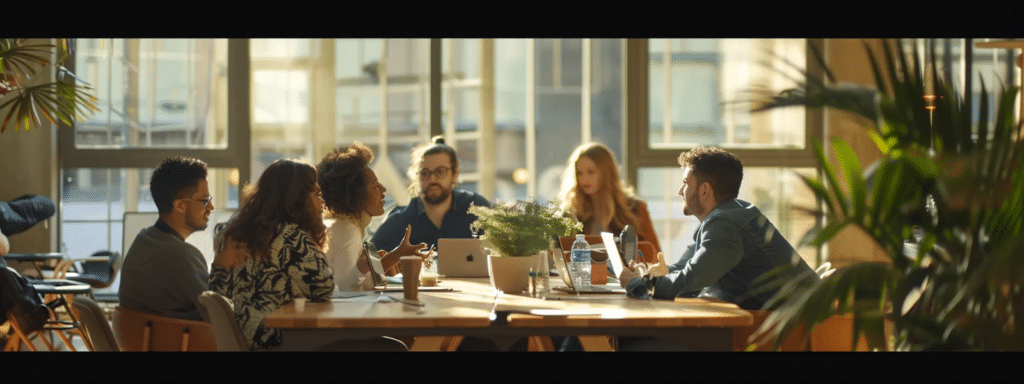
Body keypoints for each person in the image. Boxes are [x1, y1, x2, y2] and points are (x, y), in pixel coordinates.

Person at [618, 146, 818, 310]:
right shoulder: (726, 217)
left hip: (795, 330)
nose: (680, 191)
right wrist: (647, 274)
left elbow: (687, 282)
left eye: (686, 183)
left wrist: (636, 283)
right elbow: (684, 269)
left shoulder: (725, 224)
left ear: (705, 190)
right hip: (778, 323)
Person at [209, 159, 337, 350]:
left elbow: (217, 295)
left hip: (242, 343)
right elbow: (324, 288)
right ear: (299, 198)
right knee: (389, 347)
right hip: (278, 342)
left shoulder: (229, 235)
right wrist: (312, 241)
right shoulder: (289, 237)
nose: (322, 202)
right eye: (316, 194)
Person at [317, 142, 430, 292]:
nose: (383, 189)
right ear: (356, 194)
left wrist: (397, 255)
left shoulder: (338, 224)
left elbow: (352, 276)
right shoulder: (348, 231)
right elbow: (347, 289)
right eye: (375, 185)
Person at [119, 157, 213, 321]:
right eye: (205, 200)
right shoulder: (183, 256)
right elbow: (220, 315)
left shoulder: (143, 240)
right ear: (180, 206)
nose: (211, 207)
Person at [371, 136, 491, 252]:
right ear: (416, 177)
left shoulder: (476, 208)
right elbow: (368, 261)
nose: (432, 179)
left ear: (455, 174)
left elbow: (505, 247)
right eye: (425, 173)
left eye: (440, 171)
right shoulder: (399, 221)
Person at [558, 142, 662, 253]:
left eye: (591, 172)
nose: (584, 179)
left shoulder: (635, 208)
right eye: (579, 173)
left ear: (606, 172)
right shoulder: (573, 212)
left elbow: (655, 254)